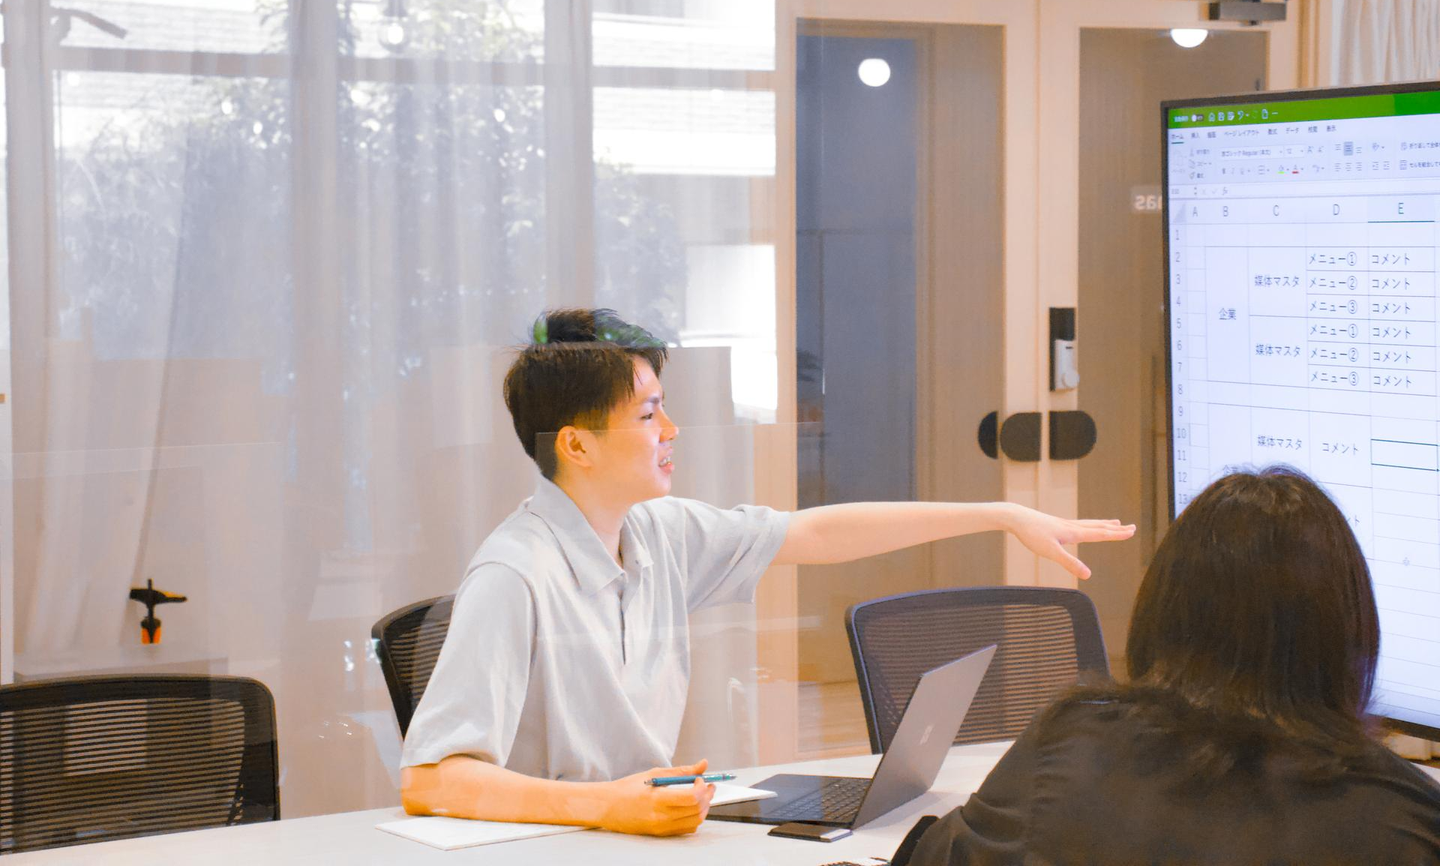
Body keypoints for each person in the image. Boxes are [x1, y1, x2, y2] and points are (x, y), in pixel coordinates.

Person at [398, 307, 1134, 836]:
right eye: (649, 416)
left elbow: (814, 532)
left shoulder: (658, 532)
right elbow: (430, 780)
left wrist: (999, 514)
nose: (672, 431)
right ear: (577, 446)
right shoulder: (513, 575)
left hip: (638, 838)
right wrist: (607, 806)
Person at [892, 466, 1440, 866]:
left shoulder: (1072, 742)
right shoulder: (1403, 815)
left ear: (1164, 610)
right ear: (1349, 627)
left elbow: (937, 855)